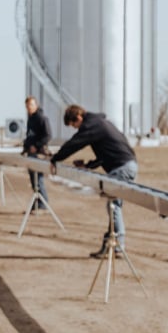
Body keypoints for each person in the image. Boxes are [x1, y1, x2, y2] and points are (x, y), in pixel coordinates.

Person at [51, 104, 137, 256]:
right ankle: (110, 244)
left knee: (113, 205)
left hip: (122, 168)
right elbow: (106, 154)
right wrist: (88, 165)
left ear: (78, 118)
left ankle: (118, 245)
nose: (77, 129)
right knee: (113, 205)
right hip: (128, 165)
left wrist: (55, 158)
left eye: (75, 125)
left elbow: (75, 143)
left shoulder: (91, 125)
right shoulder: (100, 123)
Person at [19, 94, 53, 205]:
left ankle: (43, 203)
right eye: (27, 105)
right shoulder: (30, 119)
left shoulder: (42, 118)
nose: (29, 107)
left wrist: (37, 146)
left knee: (38, 178)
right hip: (31, 153)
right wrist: (26, 147)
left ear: (36, 105)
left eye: (31, 105)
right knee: (33, 179)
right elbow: (30, 136)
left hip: (39, 153)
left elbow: (48, 135)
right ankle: (38, 201)